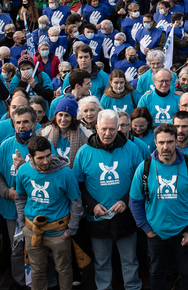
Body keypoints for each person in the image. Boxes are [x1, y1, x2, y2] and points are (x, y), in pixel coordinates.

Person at [130, 123, 188, 290]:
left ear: (176, 142)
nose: (165, 147)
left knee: (187, 273)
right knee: (157, 273)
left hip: (185, 232)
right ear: (155, 143)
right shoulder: (145, 167)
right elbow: (134, 201)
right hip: (156, 232)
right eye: (161, 142)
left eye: (170, 142)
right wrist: (146, 229)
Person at [73, 109, 146, 290]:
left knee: (130, 260)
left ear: (118, 128)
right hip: (97, 218)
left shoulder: (131, 148)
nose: (108, 133)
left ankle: (133, 287)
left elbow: (141, 180)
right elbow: (78, 185)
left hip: (125, 216)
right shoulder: (84, 152)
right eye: (104, 128)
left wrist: (126, 201)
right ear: (96, 127)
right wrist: (91, 205)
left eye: (112, 129)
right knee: (101, 262)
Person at [15, 135, 83, 290]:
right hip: (32, 231)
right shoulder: (23, 171)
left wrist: (71, 230)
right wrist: (22, 225)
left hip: (59, 232)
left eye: (48, 156)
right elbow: (20, 197)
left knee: (64, 270)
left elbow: (76, 202)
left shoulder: (66, 173)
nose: (46, 161)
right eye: (40, 158)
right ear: (31, 157)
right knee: (37, 271)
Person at [0, 105, 37, 289]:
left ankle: (39, 282)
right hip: (11, 209)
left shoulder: (43, 144)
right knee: (16, 248)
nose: (22, 126)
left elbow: (50, 175)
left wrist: (25, 166)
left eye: (26, 121)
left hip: (36, 208)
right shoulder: (5, 145)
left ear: (34, 123)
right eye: (18, 122)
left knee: (38, 248)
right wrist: (6, 192)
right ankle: (20, 281)